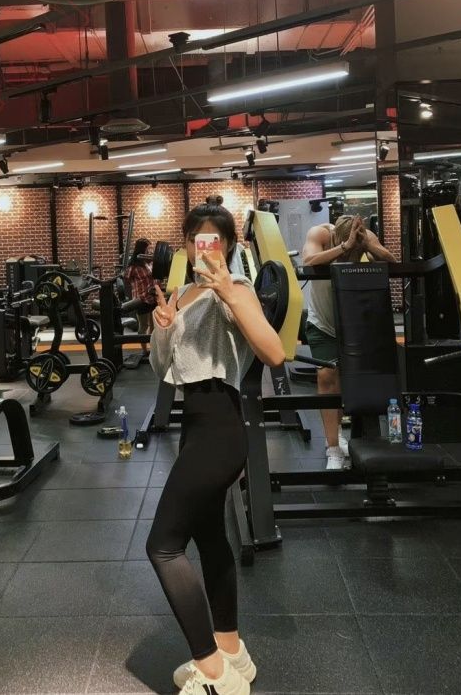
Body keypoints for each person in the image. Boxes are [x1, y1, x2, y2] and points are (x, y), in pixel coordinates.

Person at [147, 203, 285, 695]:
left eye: (213, 240)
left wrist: (229, 292)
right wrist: (163, 328)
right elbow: (163, 370)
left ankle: (211, 673)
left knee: (162, 546)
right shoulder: (181, 294)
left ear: (227, 246)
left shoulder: (238, 288)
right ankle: (230, 651)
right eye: (195, 239)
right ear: (185, 244)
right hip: (194, 424)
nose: (203, 248)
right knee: (209, 539)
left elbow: (274, 353)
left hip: (221, 427)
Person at [302, 214, 398, 470]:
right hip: (322, 323)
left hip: (355, 323)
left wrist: (367, 245)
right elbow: (308, 261)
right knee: (327, 377)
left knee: (353, 381)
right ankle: (332, 447)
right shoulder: (320, 233)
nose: (349, 258)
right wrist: (344, 247)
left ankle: (354, 437)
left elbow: (391, 261)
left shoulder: (365, 237)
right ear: (336, 238)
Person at [124, 238, 157, 353]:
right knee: (144, 326)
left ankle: (153, 348)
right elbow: (126, 278)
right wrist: (134, 292)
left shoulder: (148, 263)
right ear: (141, 249)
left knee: (153, 325)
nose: (149, 251)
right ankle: (144, 350)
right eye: (147, 249)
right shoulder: (133, 266)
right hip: (141, 299)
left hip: (152, 297)